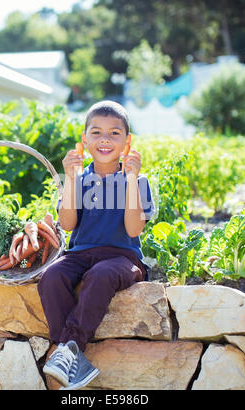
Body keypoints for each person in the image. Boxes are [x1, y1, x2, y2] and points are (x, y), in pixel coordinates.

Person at [38, 100, 155, 390]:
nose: (105, 139)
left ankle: (65, 350)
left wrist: (129, 179)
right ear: (84, 140)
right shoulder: (78, 180)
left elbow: (133, 229)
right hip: (79, 253)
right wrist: (69, 178)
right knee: (51, 276)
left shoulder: (138, 181)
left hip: (122, 257)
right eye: (97, 132)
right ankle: (73, 356)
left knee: (99, 276)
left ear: (127, 142)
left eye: (115, 133)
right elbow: (66, 224)